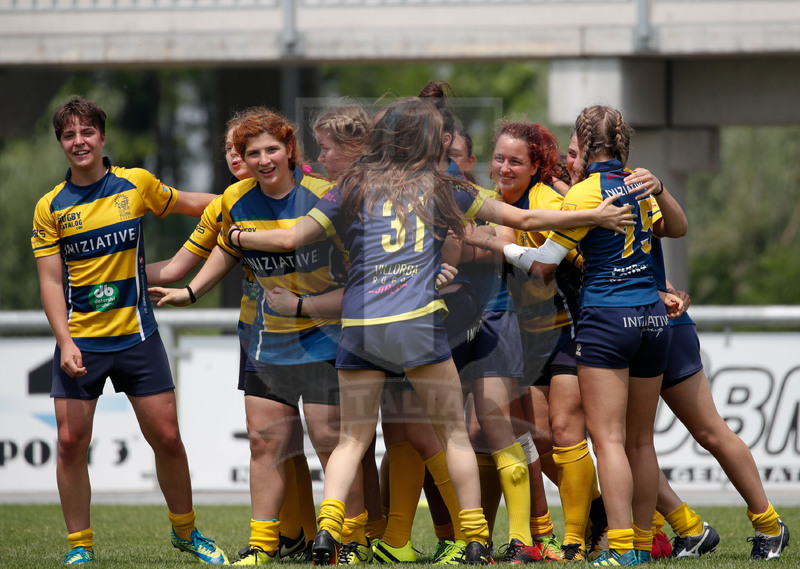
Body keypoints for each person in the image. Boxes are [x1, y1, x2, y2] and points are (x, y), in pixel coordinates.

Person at [223, 97, 636, 566]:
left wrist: (238, 237)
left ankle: (329, 529)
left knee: (352, 439)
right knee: (455, 434)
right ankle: (476, 537)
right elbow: (523, 220)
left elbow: (293, 236)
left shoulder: (353, 183)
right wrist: (592, 216)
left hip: (359, 325)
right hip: (416, 323)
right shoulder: (443, 186)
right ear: (427, 139)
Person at [148, 107, 360, 565]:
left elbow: (360, 274)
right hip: (268, 341)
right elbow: (225, 249)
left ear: (289, 151)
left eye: (271, 149)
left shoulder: (325, 195)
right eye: (252, 152)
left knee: (328, 439)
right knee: (266, 441)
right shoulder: (232, 200)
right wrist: (190, 292)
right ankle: (264, 546)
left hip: (327, 337)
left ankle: (350, 542)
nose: (263, 160)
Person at [483, 105, 687, 566]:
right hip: (653, 320)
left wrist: (499, 245)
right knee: (641, 441)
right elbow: (677, 228)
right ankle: (640, 540)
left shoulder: (581, 195)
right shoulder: (638, 183)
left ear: (584, 143)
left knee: (609, 441)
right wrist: (660, 187)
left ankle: (620, 549)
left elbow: (544, 265)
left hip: (607, 319)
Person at [30, 96, 225, 565]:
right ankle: (80, 547)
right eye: (69, 135)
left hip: (139, 335)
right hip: (83, 342)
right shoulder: (50, 207)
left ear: (102, 136)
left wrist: (245, 197)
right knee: (70, 443)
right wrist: (65, 343)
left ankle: (186, 532)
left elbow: (190, 204)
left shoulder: (135, 184)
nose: (79, 142)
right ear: (62, 143)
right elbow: (52, 281)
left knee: (168, 438)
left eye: (86, 132)